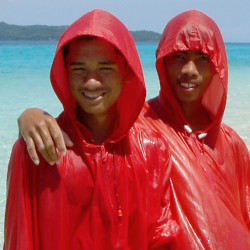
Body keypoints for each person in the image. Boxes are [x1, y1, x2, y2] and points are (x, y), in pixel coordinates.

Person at [17, 10, 250, 249]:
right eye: (179, 55)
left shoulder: (232, 144)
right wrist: (30, 117)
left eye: (202, 57)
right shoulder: (139, 126)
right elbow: (92, 126)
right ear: (162, 61)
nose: (190, 69)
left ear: (218, 66)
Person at [4, 9, 180, 250]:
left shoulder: (152, 150)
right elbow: (19, 240)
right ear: (64, 73)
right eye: (79, 69)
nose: (91, 81)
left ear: (127, 71)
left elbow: (161, 238)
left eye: (105, 68)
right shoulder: (35, 150)